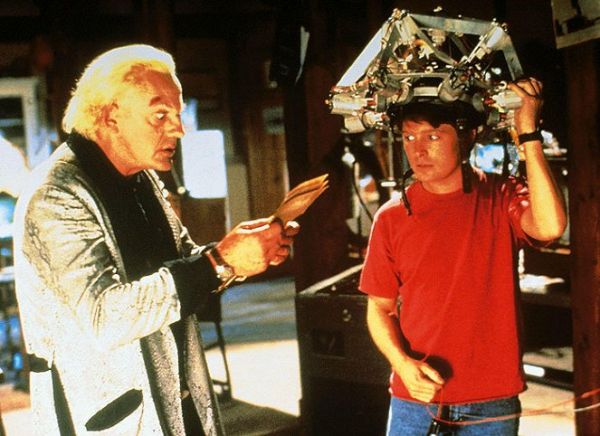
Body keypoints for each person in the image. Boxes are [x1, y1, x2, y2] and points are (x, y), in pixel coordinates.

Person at [13, 44, 299, 436]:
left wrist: (242, 254)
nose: (179, 129)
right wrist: (218, 262)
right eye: (160, 115)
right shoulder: (56, 195)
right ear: (110, 116)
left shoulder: (141, 178)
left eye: (177, 115)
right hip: (107, 420)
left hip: (176, 401)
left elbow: (187, 262)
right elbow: (105, 317)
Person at [359, 77, 567, 435]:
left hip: (491, 400)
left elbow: (550, 226)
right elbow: (379, 308)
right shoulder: (392, 217)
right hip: (416, 398)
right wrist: (402, 363)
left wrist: (528, 134)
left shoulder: (501, 196)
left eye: (432, 137)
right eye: (409, 137)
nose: (418, 150)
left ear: (468, 136)